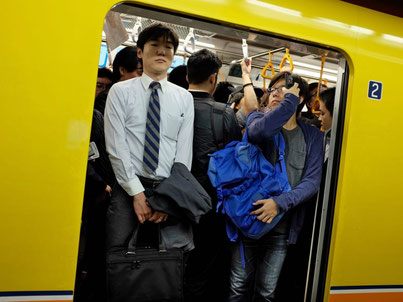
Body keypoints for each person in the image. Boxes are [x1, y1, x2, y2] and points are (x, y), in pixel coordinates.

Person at [104, 23, 194, 299]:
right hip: (127, 187)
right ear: (140, 52)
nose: (162, 51)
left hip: (167, 188)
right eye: (155, 45)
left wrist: (167, 199)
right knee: (118, 258)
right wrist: (137, 193)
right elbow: (116, 146)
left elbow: (183, 154)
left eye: (168, 47)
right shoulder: (120, 92)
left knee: (168, 262)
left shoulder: (184, 98)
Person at [228, 71, 323, 302]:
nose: (275, 94)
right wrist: (287, 101)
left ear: (299, 98)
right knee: (238, 287)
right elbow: (260, 132)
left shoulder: (312, 135)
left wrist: (279, 204)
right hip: (248, 217)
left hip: (282, 224)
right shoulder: (256, 120)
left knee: (266, 291)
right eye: (273, 90)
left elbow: (311, 182)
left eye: (284, 90)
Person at [185, 49, 242, 302]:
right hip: (210, 203)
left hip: (169, 200)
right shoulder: (223, 113)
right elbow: (234, 159)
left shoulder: (170, 105)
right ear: (214, 79)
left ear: (187, 76)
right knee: (201, 268)